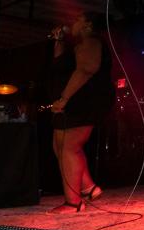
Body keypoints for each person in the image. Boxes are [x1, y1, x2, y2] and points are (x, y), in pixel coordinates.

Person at [47, 12, 115, 213]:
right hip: (73, 100)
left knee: (69, 146)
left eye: (77, 20)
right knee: (60, 146)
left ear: (87, 24)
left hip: (83, 101)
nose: (72, 23)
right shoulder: (76, 45)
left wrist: (64, 98)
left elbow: (86, 69)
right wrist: (58, 39)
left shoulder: (92, 41)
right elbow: (59, 64)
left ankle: (73, 203)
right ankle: (88, 188)